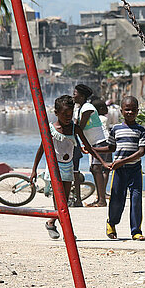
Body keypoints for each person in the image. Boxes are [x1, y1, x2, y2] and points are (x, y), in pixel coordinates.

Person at [30, 95, 110, 240]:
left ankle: (50, 222)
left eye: (70, 114)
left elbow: (89, 147)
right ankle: (68, 233)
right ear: (56, 113)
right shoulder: (51, 129)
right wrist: (34, 169)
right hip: (54, 169)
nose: (68, 117)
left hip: (68, 168)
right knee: (59, 202)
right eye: (64, 114)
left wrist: (103, 163)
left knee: (64, 203)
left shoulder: (75, 129)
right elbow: (41, 149)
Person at [92, 96, 145, 241]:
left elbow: (141, 152)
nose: (130, 112)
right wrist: (94, 150)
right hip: (119, 172)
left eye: (133, 110)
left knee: (136, 200)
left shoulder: (141, 130)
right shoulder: (116, 129)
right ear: (121, 111)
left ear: (137, 111)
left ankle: (136, 231)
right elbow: (111, 148)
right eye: (127, 109)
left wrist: (122, 161)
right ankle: (111, 223)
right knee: (117, 200)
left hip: (135, 171)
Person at [73, 84, 107, 207]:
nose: (73, 96)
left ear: (81, 96)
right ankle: (99, 199)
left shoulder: (87, 107)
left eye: (75, 93)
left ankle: (102, 200)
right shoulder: (79, 109)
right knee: (93, 169)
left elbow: (80, 127)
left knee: (97, 169)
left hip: (100, 141)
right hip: (92, 143)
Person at [87, 99, 112, 206]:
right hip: (107, 142)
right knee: (105, 170)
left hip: (98, 143)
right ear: (101, 109)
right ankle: (102, 194)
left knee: (96, 168)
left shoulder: (95, 119)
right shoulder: (104, 118)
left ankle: (100, 195)